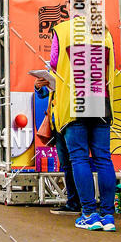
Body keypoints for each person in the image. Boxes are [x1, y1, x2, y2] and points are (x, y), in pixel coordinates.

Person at [50, 0, 117, 231]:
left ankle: (89, 213)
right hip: (101, 99)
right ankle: (108, 215)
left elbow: (54, 64)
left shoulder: (62, 29)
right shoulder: (105, 32)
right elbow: (112, 67)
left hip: (74, 101)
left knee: (78, 157)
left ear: (71, 6)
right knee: (103, 158)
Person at [33, 77, 81, 216]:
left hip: (71, 120)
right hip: (57, 123)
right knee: (66, 165)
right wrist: (38, 87)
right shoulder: (54, 73)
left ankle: (83, 203)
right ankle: (73, 202)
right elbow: (43, 94)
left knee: (77, 162)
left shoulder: (71, 70)